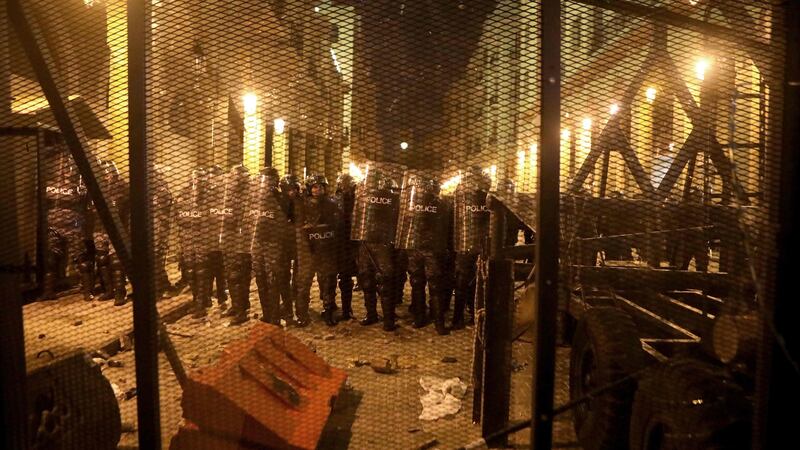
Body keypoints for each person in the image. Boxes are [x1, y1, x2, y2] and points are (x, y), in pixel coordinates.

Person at [396, 173, 451, 335]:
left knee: (423, 284)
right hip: (422, 249)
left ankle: (428, 319)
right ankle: (429, 319)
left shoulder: (434, 203)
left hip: (425, 250)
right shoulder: (441, 203)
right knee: (422, 284)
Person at [352, 166, 401, 331]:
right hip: (365, 243)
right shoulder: (362, 195)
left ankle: (388, 319)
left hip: (383, 244)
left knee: (385, 281)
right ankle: (371, 314)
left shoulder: (392, 198)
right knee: (366, 280)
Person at [42, 144, 91, 300]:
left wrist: (78, 225)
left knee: (81, 258)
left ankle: (87, 292)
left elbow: (84, 205)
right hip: (53, 224)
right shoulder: (47, 181)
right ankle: (48, 292)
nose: (62, 168)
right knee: (50, 260)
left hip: (73, 224)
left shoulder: (80, 183)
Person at [294, 174, 342, 327]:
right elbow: (297, 224)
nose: (317, 190)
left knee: (328, 280)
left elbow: (337, 223)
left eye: (320, 187)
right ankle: (301, 313)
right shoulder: (301, 203)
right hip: (307, 248)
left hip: (325, 247)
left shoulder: (331, 204)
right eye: (314, 187)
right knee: (304, 281)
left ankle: (328, 311)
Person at [252, 167, 294, 325]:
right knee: (260, 279)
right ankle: (267, 313)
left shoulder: (281, 198)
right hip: (257, 241)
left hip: (274, 243)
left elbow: (290, 221)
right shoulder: (253, 199)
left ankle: (277, 315)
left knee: (274, 279)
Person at [452, 166, 492, 329]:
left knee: (463, 281)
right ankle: (476, 315)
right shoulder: (488, 191)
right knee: (479, 281)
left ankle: (458, 318)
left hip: (465, 244)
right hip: (483, 246)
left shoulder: (461, 190)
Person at [174, 168, 213, 318]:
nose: (196, 181)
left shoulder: (210, 196)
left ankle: (201, 303)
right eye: (194, 178)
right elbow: (178, 215)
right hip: (187, 237)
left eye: (199, 178)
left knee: (201, 270)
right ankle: (197, 298)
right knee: (190, 270)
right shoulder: (183, 194)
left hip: (202, 237)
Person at [217, 165, 253, 325]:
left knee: (238, 275)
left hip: (241, 239)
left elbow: (244, 218)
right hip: (228, 239)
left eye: (235, 177)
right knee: (231, 275)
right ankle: (237, 305)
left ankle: (241, 311)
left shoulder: (249, 195)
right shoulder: (227, 193)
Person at [278, 174, 302, 322]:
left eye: (294, 189)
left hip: (298, 243)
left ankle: (299, 307)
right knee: (283, 276)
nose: (292, 192)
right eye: (289, 189)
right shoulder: (279, 203)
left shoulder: (301, 201)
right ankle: (287, 309)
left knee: (299, 278)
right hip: (284, 243)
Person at [334, 173, 358, 321]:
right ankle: (345, 308)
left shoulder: (358, 198)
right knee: (344, 277)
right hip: (340, 242)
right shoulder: (335, 199)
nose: (345, 187)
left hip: (354, 241)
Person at [205, 164, 228, 309]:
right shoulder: (206, 193)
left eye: (215, 176)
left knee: (221, 267)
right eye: (210, 176)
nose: (212, 178)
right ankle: (208, 296)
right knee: (209, 267)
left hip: (223, 234)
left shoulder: (225, 193)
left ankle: (221, 294)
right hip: (209, 234)